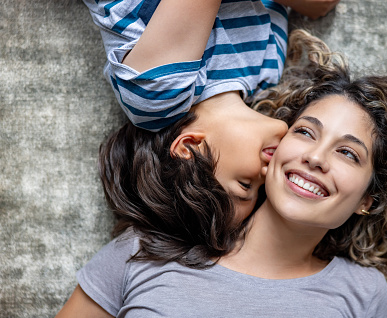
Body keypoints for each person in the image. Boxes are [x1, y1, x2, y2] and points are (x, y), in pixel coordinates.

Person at [42, 30, 387, 318]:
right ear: (274, 151)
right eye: (305, 132)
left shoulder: (361, 294)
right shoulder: (144, 249)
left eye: (349, 153)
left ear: (367, 199)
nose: (315, 157)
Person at [80, 0, 340, 221]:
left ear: (189, 147)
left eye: (245, 185)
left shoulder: (159, 98)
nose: (268, 173)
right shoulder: (266, 76)